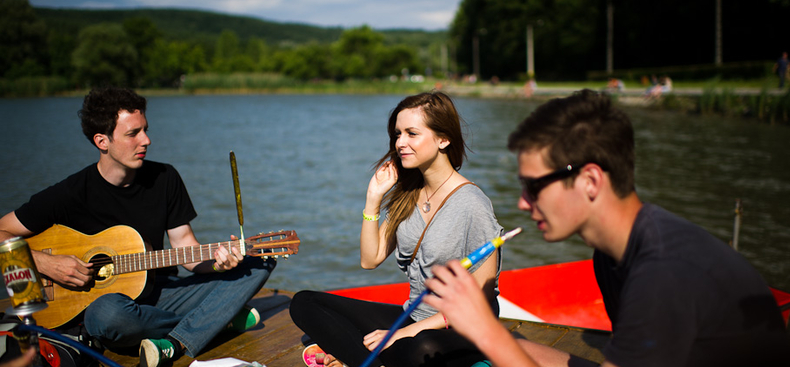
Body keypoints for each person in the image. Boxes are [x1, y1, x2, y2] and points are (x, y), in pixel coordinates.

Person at [424, 89, 790, 367]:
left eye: (533, 186)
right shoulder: (613, 251)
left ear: (591, 181)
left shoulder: (664, 270)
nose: (522, 201)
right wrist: (481, 334)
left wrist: (486, 332)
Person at [0, 87, 277, 367]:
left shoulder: (165, 178)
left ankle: (178, 340)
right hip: (111, 308)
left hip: (162, 293)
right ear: (102, 141)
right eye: (133, 134)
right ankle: (218, 319)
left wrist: (219, 265)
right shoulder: (69, 194)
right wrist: (46, 263)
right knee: (108, 316)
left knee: (260, 261)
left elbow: (187, 249)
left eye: (145, 129)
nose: (146, 140)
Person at [290, 91, 503, 367]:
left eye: (412, 133)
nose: (400, 142)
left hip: (461, 328)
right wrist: (373, 197)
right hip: (413, 316)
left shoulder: (472, 204)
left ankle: (355, 355)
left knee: (421, 348)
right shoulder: (409, 194)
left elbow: (482, 301)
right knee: (304, 304)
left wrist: (401, 333)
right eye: (397, 134)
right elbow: (370, 259)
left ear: (443, 139)